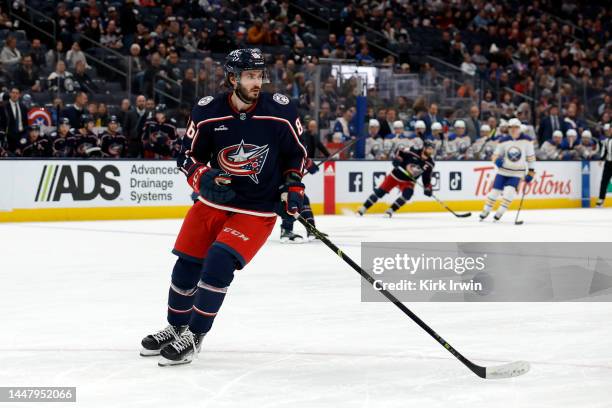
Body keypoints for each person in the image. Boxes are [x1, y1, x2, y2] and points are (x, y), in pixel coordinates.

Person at [140, 48, 307, 366]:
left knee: (218, 261)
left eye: (259, 75)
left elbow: (296, 155)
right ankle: (175, 327)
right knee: (185, 268)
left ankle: (195, 335)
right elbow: (187, 157)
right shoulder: (207, 111)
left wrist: (293, 186)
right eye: (249, 76)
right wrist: (203, 178)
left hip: (256, 210)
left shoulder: (280, 112)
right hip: (212, 204)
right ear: (232, 78)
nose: (257, 82)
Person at [357, 140, 436, 217]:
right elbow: (399, 151)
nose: (430, 151)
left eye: (432, 149)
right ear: (424, 148)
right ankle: (363, 208)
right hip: (395, 176)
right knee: (380, 192)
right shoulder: (412, 151)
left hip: (409, 181)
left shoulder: (430, 163)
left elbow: (426, 178)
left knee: (408, 194)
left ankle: (390, 210)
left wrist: (427, 188)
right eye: (429, 148)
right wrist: (397, 159)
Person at [479, 118, 536, 221]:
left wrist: (531, 172)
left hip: (517, 173)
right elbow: (495, 155)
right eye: (511, 127)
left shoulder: (527, 141)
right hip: (503, 171)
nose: (513, 130)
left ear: (519, 128)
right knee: (495, 192)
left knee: (509, 192)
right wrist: (496, 161)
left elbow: (531, 157)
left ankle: (499, 213)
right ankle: (485, 211)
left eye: (515, 127)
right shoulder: (503, 141)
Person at [597, 124, 612, 207]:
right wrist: (601, 159)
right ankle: (601, 199)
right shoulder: (606, 140)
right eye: (610, 129)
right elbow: (604, 151)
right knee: (604, 181)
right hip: (608, 163)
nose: (610, 131)